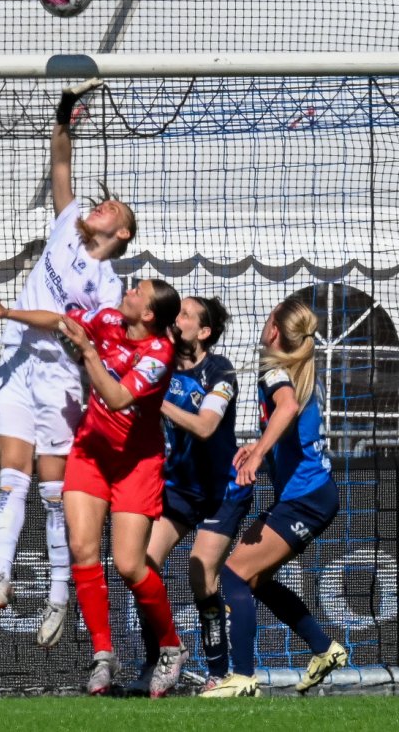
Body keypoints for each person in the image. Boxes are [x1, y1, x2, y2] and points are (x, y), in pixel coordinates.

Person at [0, 278, 186, 697]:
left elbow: (118, 397)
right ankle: (102, 655)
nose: (128, 292)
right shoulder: (108, 318)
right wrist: (9, 313)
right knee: (82, 549)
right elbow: (61, 321)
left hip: (136, 464)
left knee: (129, 565)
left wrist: (88, 353)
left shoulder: (158, 353)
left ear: (149, 314)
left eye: (137, 292)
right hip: (91, 453)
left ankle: (171, 647)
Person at [0, 77, 134, 650]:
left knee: (54, 490)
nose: (100, 205)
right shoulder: (66, 222)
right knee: (11, 479)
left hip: (59, 378)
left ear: (121, 232)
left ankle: (56, 594)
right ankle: (0, 576)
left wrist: (12, 311)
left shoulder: (108, 286)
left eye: (111, 207)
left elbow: (65, 326)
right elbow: (61, 162)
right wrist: (66, 110)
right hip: (17, 360)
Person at [200, 298, 347, 698]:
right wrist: (259, 447)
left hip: (307, 499)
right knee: (256, 579)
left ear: (274, 330)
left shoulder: (275, 371)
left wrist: (258, 453)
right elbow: (292, 426)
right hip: (313, 496)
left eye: (268, 318)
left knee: (233, 575)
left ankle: (243, 677)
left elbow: (287, 407)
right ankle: (323, 648)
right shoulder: (299, 370)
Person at [125, 296, 251, 695]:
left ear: (204, 331)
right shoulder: (158, 364)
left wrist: (156, 400)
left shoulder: (220, 370)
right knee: (142, 566)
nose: (176, 319)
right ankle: (160, 658)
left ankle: (218, 673)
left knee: (201, 573)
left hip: (223, 490)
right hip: (178, 488)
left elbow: (205, 426)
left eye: (185, 315)